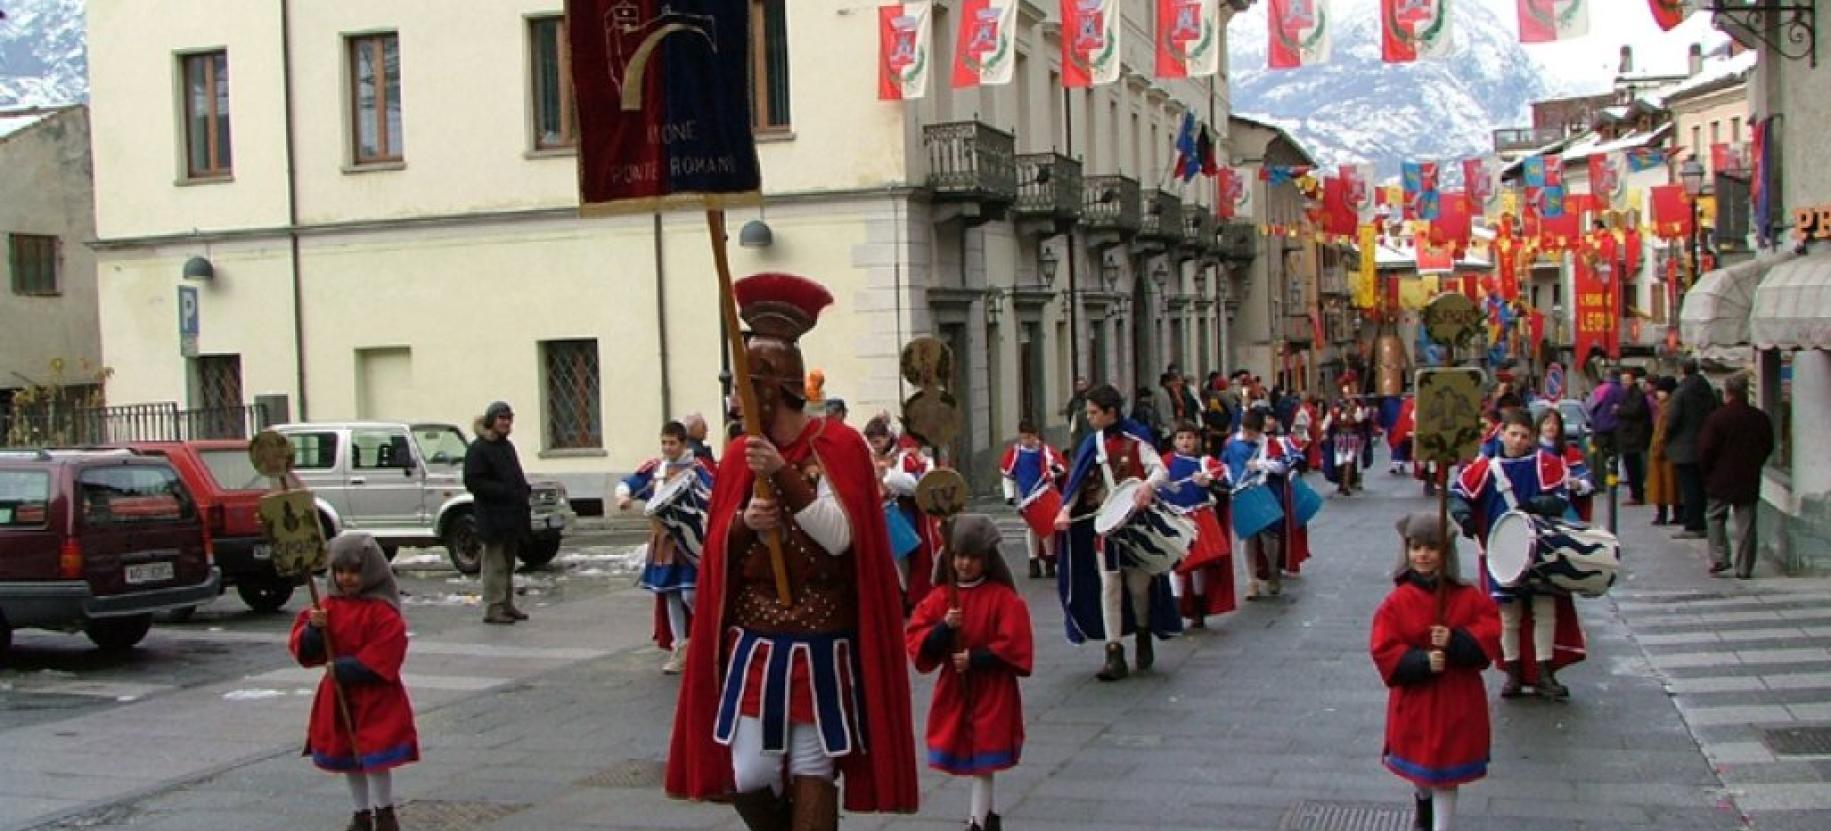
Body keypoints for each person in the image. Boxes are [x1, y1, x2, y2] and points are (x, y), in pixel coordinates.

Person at [666, 272, 918, 829]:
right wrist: (743, 525)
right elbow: (715, 549)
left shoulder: (838, 445)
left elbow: (841, 537)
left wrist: (783, 474)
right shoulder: (740, 452)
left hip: (822, 638)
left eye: (743, 384)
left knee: (812, 770)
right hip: (755, 640)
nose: (734, 398)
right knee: (750, 775)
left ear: (770, 389)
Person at [1372, 513, 1500, 831]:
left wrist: (1456, 641)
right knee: (1422, 770)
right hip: (1417, 701)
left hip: (1456, 701)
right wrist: (1421, 662)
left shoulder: (1468, 597)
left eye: (1431, 548)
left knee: (1446, 775)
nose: (1423, 555)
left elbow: (1489, 635)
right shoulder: (1396, 602)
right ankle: (1423, 802)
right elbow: (1384, 648)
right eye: (1416, 548)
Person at [905, 516, 1034, 831]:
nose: (965, 564)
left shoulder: (1002, 598)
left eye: (973, 557)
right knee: (975, 754)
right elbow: (917, 637)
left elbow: (1014, 643)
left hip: (992, 689)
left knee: (985, 757)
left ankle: (978, 820)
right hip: (957, 688)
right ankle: (987, 816)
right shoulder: (940, 598)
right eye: (959, 556)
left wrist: (977, 658)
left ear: (987, 559)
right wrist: (943, 628)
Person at [1450, 409, 1581, 701]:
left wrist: (1536, 504)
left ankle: (1545, 672)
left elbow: (1561, 499)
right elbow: (1458, 495)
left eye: (1524, 435)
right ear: (1501, 434)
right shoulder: (1486, 468)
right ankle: (1513, 672)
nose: (1518, 440)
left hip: (1541, 545)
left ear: (1531, 437)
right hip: (1502, 548)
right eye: (1513, 434)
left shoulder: (1546, 463)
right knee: (1509, 612)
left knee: (1544, 607)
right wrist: (1464, 518)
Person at [289, 534, 418, 831]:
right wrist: (313, 630)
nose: (346, 578)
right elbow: (305, 648)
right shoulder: (327, 608)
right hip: (339, 694)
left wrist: (349, 668)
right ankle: (360, 812)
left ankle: (384, 811)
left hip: (374, 697)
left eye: (354, 571)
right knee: (349, 757)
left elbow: (387, 650)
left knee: (375, 757)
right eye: (340, 571)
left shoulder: (382, 611)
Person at [1054, 384, 1180, 682]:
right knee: (1109, 585)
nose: (1089, 418)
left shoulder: (1137, 438)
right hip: (1106, 525)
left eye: (1094, 413)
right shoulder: (1092, 443)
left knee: (1138, 588)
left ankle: (1143, 631)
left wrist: (1147, 486)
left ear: (1111, 412)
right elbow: (1077, 481)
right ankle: (1114, 652)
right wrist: (1065, 509)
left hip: (1136, 524)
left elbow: (1160, 470)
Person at [617, 421, 716, 674]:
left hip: (691, 540)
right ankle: (680, 646)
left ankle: (706, 637)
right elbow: (629, 482)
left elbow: (714, 493)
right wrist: (623, 496)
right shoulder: (656, 469)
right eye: (664, 442)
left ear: (683, 443)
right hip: (664, 541)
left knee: (690, 594)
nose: (667, 448)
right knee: (670, 593)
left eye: (672, 443)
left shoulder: (697, 468)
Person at [1221, 408, 1309, 600]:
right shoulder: (1232, 443)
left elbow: (1283, 465)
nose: (1247, 435)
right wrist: (1228, 480)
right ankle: (1251, 581)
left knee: (1270, 536)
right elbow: (1224, 464)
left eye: (1251, 432)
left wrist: (1261, 465)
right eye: (1245, 430)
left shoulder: (1270, 444)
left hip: (1266, 494)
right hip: (1241, 493)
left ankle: (1272, 570)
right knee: (1247, 537)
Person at [1697, 374, 1775, 579]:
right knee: (1746, 523)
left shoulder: (1717, 418)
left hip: (1720, 476)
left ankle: (1719, 558)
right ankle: (1744, 567)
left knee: (1715, 517)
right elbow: (1768, 445)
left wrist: (1706, 472)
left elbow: (1706, 449)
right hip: (1748, 475)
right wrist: (1755, 462)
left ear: (1727, 393)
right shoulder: (1759, 417)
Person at [1162, 421, 1235, 628]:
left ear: (1197, 440)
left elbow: (1227, 483)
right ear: (1174, 441)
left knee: (1198, 565)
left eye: (1189, 437)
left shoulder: (1205, 462)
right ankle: (1175, 610)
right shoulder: (1165, 462)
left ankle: (1199, 608)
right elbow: (1151, 483)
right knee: (1176, 565)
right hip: (1174, 519)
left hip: (1198, 519)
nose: (1185, 441)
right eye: (1180, 437)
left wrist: (1209, 482)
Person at [464, 401, 530, 625]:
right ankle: (494, 607)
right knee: (495, 564)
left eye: (509, 418)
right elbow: (473, 482)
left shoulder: (506, 446)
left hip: (511, 515)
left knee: (509, 563)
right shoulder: (478, 448)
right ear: (491, 420)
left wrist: (523, 490)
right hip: (492, 516)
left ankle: (506, 603)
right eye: (501, 418)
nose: (506, 422)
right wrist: (504, 490)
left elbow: (515, 475)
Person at [866, 415, 940, 609]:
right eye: (872, 442)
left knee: (905, 558)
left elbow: (917, 484)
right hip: (881, 512)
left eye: (878, 441)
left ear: (888, 437)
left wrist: (888, 475)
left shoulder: (905, 457)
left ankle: (907, 594)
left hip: (903, 512)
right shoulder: (870, 457)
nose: (875, 446)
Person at [999, 420, 1067, 579]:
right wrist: (1009, 495)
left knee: (1048, 527)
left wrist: (1053, 471)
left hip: (1044, 493)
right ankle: (1033, 561)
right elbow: (1008, 476)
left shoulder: (1045, 451)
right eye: (1023, 437)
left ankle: (1050, 560)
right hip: (1026, 498)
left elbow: (1060, 468)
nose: (1026, 441)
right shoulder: (1015, 453)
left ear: (1035, 435)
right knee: (1031, 528)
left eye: (1029, 437)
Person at [1664, 359, 1718, 540]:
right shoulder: (1707, 390)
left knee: (1689, 487)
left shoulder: (1681, 392)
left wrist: (1667, 437)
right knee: (1700, 486)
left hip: (1684, 447)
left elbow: (1672, 420)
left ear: (1683, 371)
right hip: (1705, 444)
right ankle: (1700, 521)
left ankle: (1693, 524)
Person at [1536, 408, 1595, 523]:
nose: (1551, 426)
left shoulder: (1570, 452)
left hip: (1565, 507)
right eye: (1547, 423)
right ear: (1539, 426)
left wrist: (1578, 484)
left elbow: (1587, 480)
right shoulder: (1531, 452)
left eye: (1555, 423)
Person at [1614, 369, 1653, 505]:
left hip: (1634, 437)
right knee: (1631, 466)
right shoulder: (1628, 394)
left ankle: (1637, 494)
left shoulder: (1636, 394)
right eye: (1622, 380)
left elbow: (1635, 411)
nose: (1624, 383)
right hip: (1629, 436)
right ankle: (1635, 493)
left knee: (1634, 467)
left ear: (1632, 380)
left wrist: (1618, 410)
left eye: (1626, 380)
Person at [1646, 376, 1680, 526]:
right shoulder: (1664, 406)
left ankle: (1664, 514)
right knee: (1670, 485)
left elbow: (1662, 431)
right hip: (1665, 451)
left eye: (1661, 391)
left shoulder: (1667, 408)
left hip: (1663, 452)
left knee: (1663, 485)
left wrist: (1657, 447)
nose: (1658, 393)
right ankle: (1674, 513)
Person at [1061, 376, 1092, 449]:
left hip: (1089, 426)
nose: (1080, 387)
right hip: (1077, 428)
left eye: (1082, 384)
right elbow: (1069, 413)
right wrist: (1073, 423)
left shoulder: (1090, 398)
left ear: (1086, 386)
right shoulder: (1073, 401)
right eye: (1079, 385)